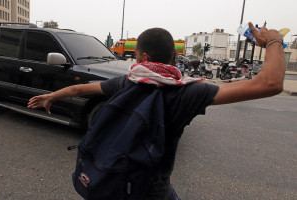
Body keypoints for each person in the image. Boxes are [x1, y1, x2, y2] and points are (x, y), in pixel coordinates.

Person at [27, 22, 285, 199]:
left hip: (110, 180)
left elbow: (78, 90)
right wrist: (273, 40)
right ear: (174, 58)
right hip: (152, 190)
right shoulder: (186, 93)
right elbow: (270, 83)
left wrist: (50, 96)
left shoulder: (125, 82)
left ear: (142, 58)